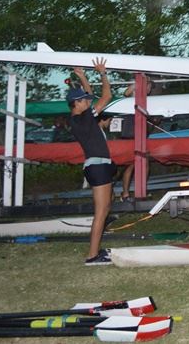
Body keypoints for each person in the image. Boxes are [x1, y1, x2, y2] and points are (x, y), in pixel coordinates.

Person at [67, 57, 116, 265]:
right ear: (76, 104)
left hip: (98, 166)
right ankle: (92, 256)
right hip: (98, 166)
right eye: (84, 100)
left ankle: (95, 252)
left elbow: (89, 94)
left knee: (104, 209)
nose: (88, 101)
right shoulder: (83, 118)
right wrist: (102, 73)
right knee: (101, 212)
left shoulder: (79, 117)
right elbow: (107, 96)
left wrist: (82, 76)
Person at [119, 77, 153, 201]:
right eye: (148, 85)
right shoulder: (133, 97)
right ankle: (125, 194)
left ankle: (142, 191)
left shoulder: (147, 100)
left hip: (142, 135)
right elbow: (126, 93)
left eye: (150, 86)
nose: (149, 88)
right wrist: (138, 83)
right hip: (130, 134)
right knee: (130, 164)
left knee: (145, 164)